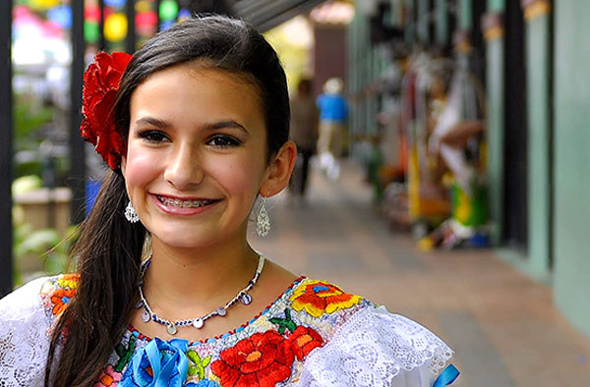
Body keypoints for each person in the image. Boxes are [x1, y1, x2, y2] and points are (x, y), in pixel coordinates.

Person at [0, 15, 458, 387]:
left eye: (221, 140)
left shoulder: (349, 352)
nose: (181, 172)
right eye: (155, 135)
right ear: (122, 153)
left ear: (276, 167)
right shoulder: (42, 326)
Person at [289, 78, 318, 199]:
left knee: (305, 166)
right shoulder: (292, 102)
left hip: (307, 139)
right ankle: (291, 189)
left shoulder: (312, 103)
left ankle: (302, 192)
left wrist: (315, 137)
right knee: (290, 165)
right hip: (293, 137)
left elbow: (315, 122)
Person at [316, 77, 348, 180]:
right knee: (336, 146)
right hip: (339, 124)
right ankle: (333, 167)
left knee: (324, 144)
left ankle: (325, 162)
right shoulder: (341, 100)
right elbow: (346, 113)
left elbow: (317, 110)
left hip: (325, 122)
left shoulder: (323, 99)